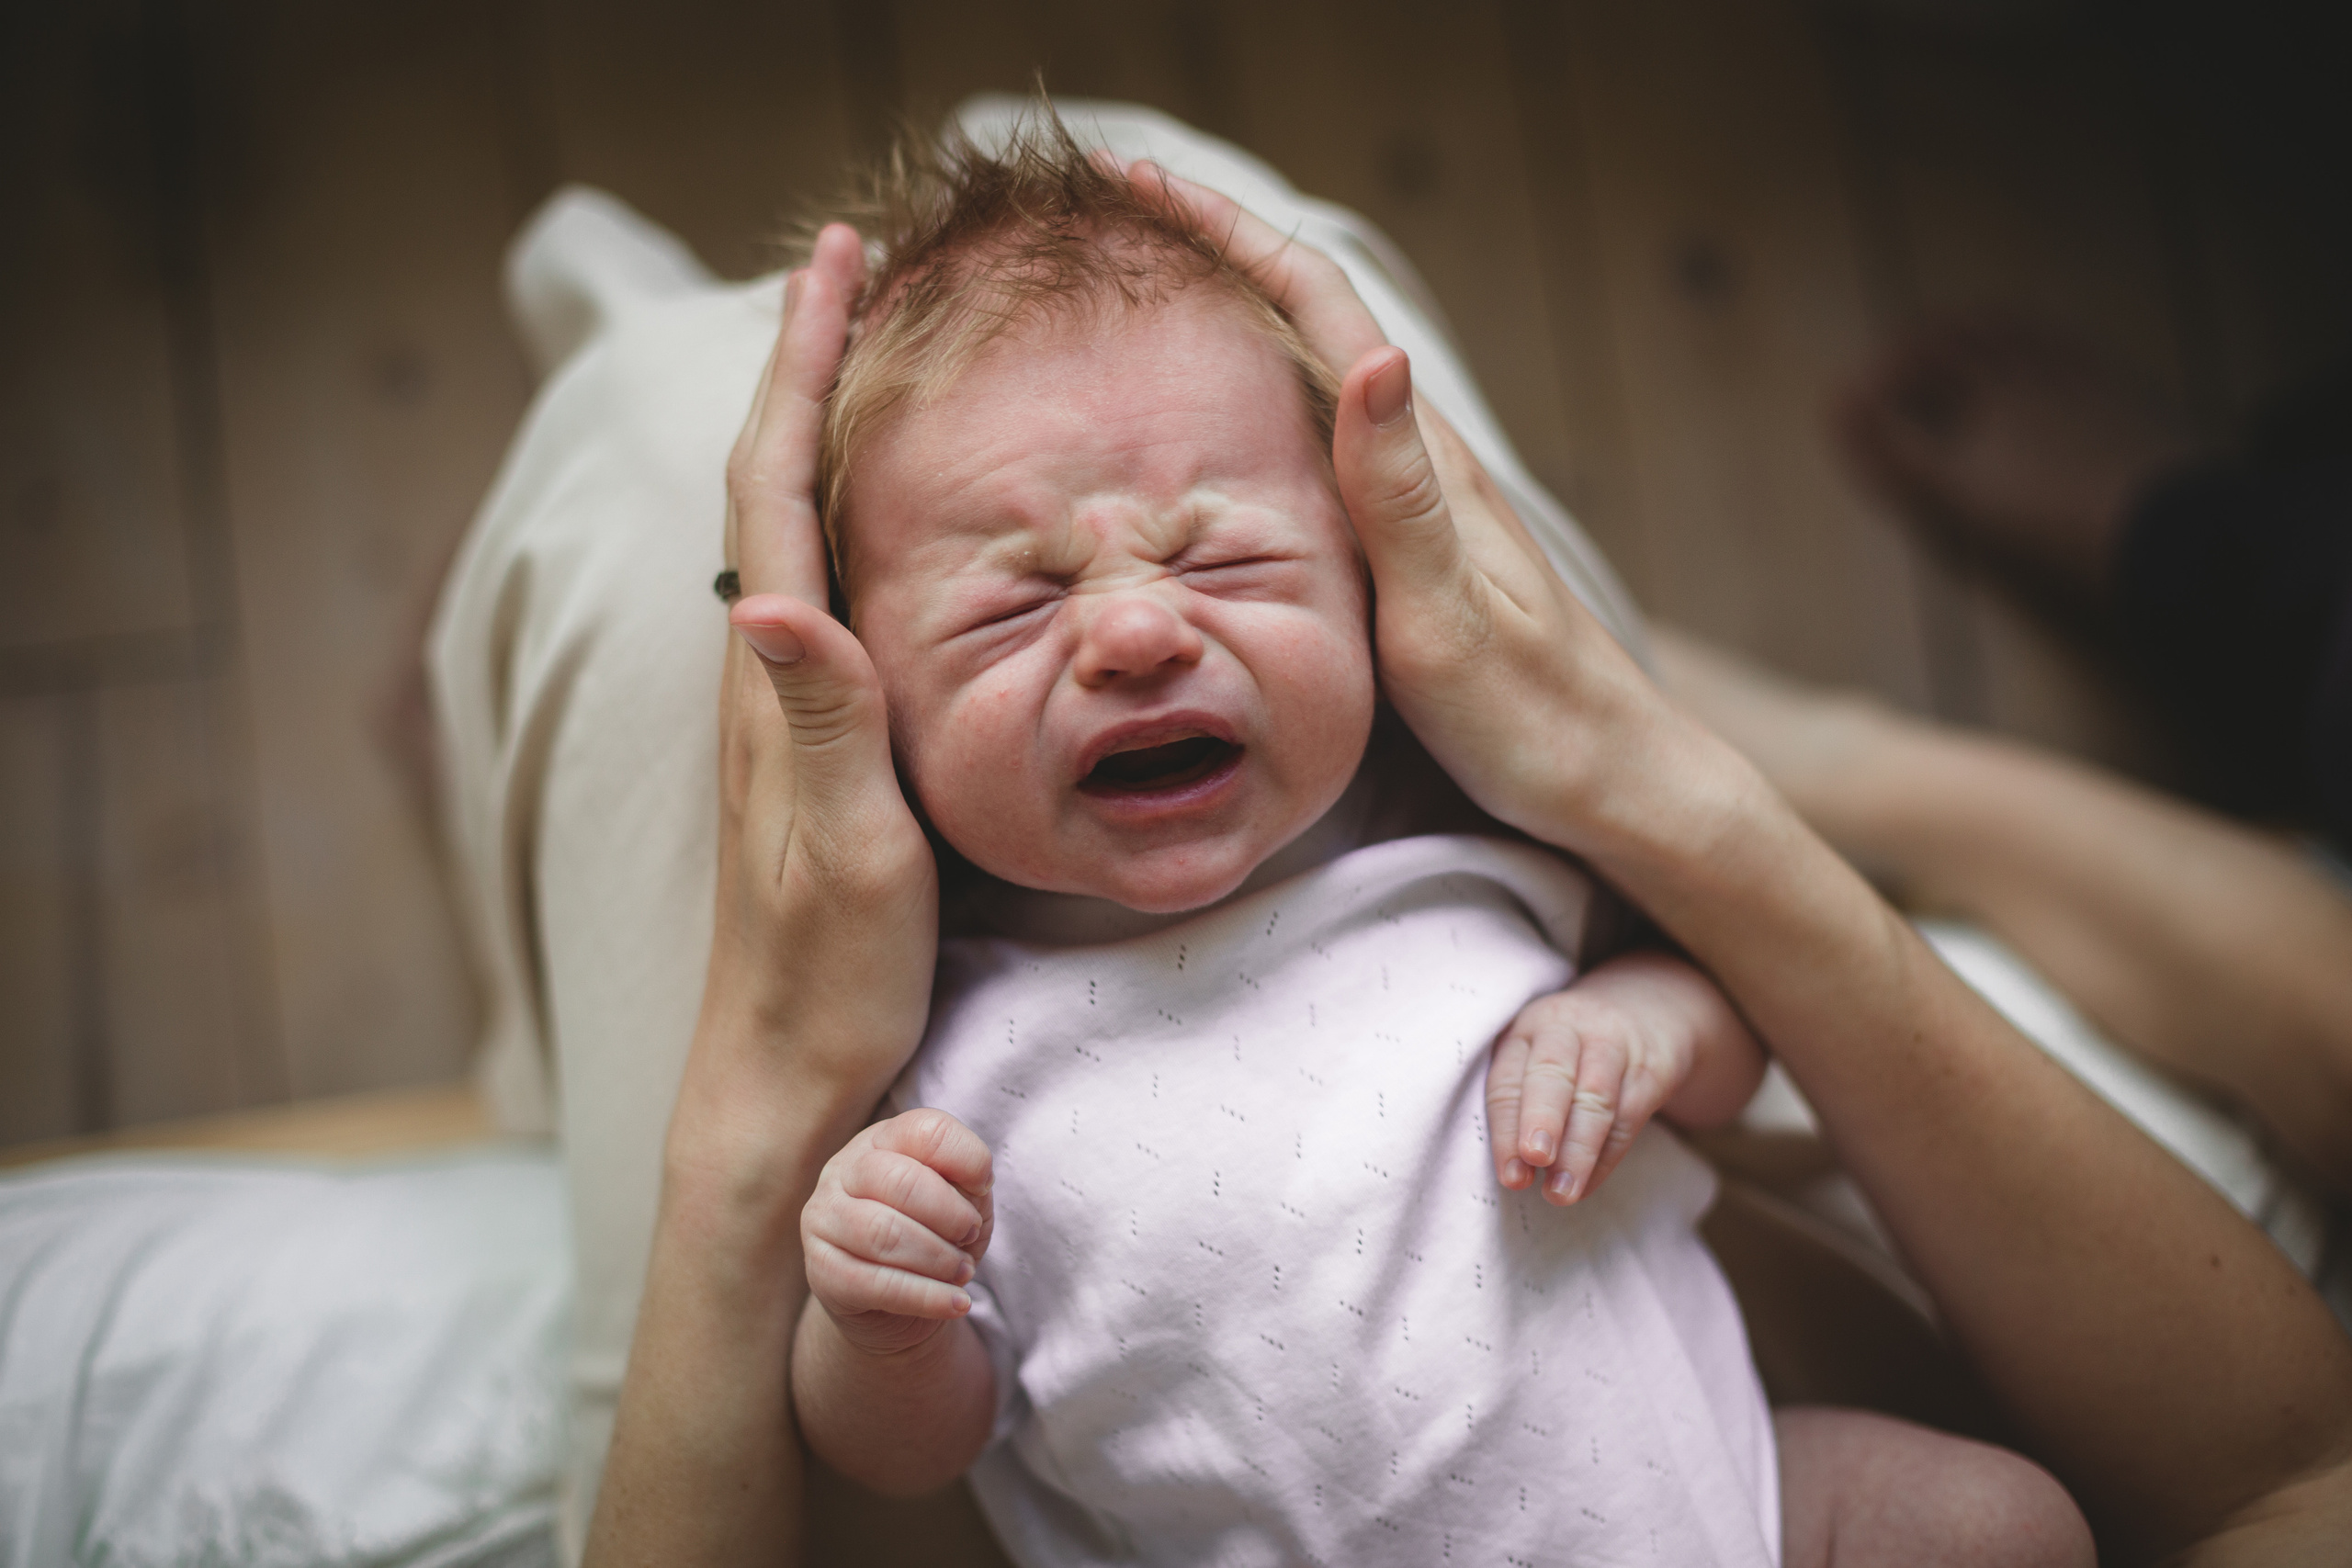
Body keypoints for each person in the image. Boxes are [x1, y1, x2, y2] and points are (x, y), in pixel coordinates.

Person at [571, 110, 2352, 1568]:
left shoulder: (1430, 865)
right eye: (1007, 603)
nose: (1128, 631)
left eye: (1224, 559)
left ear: (1372, 601)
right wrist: (880, 1314)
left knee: (1998, 1524)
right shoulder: (934, 1060)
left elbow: (1720, 1036)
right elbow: (915, 1444)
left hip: (1731, 1510)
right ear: (865, 693)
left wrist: (1644, 1031)